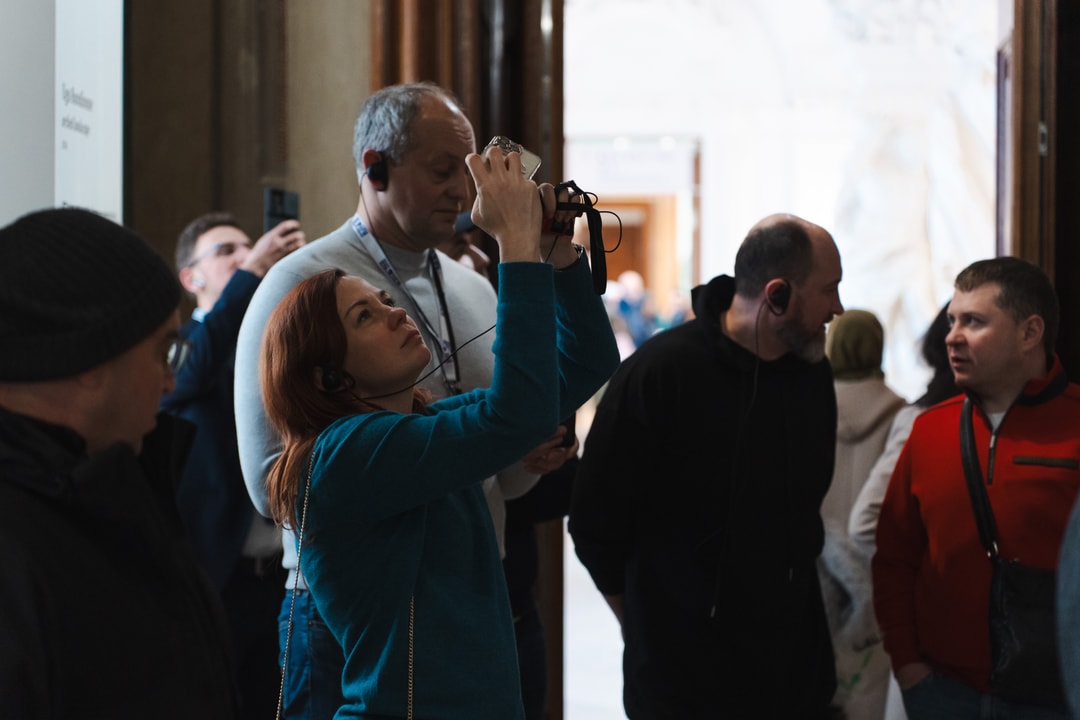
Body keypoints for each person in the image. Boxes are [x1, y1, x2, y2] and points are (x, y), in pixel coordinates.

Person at [233, 81, 574, 718]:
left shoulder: (469, 282)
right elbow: (274, 480)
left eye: (467, 172)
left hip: (468, 571)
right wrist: (434, 454)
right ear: (376, 167)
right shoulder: (304, 283)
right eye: (443, 171)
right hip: (352, 599)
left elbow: (513, 430)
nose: (463, 193)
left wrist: (521, 450)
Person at [570, 213, 845, 719]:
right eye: (829, 290)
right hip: (683, 686)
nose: (838, 308)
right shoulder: (661, 372)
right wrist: (647, 626)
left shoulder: (811, 372)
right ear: (778, 295)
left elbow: (807, 507)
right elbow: (594, 521)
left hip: (792, 678)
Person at [0, 207, 236, 717]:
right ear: (89, 359)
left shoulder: (112, 487)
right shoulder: (18, 549)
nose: (170, 382)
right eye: (164, 352)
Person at [873, 257, 1079, 719]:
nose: (952, 336)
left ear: (1030, 333)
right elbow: (893, 559)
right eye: (952, 321)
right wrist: (908, 667)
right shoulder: (928, 430)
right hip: (943, 692)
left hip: (1056, 699)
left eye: (974, 321)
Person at [161, 211, 305, 719]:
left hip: (281, 574)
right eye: (226, 252)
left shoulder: (272, 345)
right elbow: (190, 376)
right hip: (214, 575)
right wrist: (250, 276)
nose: (245, 255)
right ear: (191, 278)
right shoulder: (180, 348)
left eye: (248, 247)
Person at [846, 303, 958, 720]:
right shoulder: (916, 416)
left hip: (836, 571)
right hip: (916, 615)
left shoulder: (820, 405)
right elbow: (867, 520)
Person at [817, 308, 905, 720]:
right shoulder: (901, 415)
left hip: (818, 564)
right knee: (868, 692)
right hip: (875, 567)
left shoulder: (811, 409)